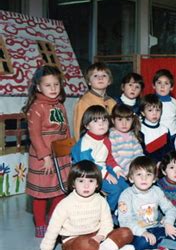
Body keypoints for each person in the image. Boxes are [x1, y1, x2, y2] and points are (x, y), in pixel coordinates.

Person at [36, 160, 134, 250]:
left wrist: (99, 237)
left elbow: (107, 224)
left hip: (97, 238)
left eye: (91, 181)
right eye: (81, 181)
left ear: (97, 184)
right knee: (84, 243)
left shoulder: (100, 200)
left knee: (126, 232)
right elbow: (53, 228)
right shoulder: (65, 204)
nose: (86, 186)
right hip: (73, 241)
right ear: (73, 183)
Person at [22, 65, 71, 238]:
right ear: (38, 87)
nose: (53, 89)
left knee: (60, 190)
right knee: (41, 194)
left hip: (60, 156)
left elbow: (66, 130)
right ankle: (41, 225)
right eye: (48, 85)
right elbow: (34, 135)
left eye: (56, 85)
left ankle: (53, 221)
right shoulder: (36, 107)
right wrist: (45, 157)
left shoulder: (60, 105)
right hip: (43, 158)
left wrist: (69, 151)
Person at [118, 156, 176, 250]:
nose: (144, 179)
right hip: (138, 233)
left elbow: (170, 208)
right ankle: (168, 245)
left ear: (154, 179)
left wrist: (169, 224)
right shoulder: (126, 195)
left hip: (155, 228)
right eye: (139, 174)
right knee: (142, 244)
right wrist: (143, 232)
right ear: (131, 178)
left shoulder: (157, 191)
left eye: (148, 175)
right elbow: (125, 221)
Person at [71, 106, 129, 213]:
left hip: (103, 168)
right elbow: (88, 164)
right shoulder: (86, 143)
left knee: (126, 187)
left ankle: (122, 211)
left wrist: (116, 169)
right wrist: (106, 175)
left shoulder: (106, 139)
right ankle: (108, 213)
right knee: (115, 190)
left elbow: (109, 158)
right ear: (87, 125)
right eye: (95, 121)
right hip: (88, 172)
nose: (101, 124)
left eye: (104, 120)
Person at [73, 62, 116, 139]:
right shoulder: (84, 101)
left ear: (109, 81)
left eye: (104, 75)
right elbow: (78, 128)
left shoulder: (112, 102)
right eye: (95, 76)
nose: (100, 78)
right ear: (89, 82)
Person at [109, 104, 144, 175]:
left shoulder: (132, 135)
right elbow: (114, 155)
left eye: (128, 119)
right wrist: (130, 167)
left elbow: (138, 152)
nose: (124, 123)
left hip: (134, 169)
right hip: (119, 170)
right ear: (113, 120)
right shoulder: (111, 135)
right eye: (120, 119)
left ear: (132, 120)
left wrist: (141, 164)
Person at [139, 94, 172, 163]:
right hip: (147, 164)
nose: (155, 113)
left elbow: (170, 151)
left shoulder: (165, 130)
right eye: (150, 110)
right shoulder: (140, 129)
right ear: (143, 113)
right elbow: (141, 152)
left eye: (157, 110)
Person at [153, 69, 176, 144]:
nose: (162, 86)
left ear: (171, 87)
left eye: (166, 83)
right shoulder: (151, 101)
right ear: (154, 86)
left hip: (173, 135)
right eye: (159, 83)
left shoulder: (173, 101)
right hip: (157, 136)